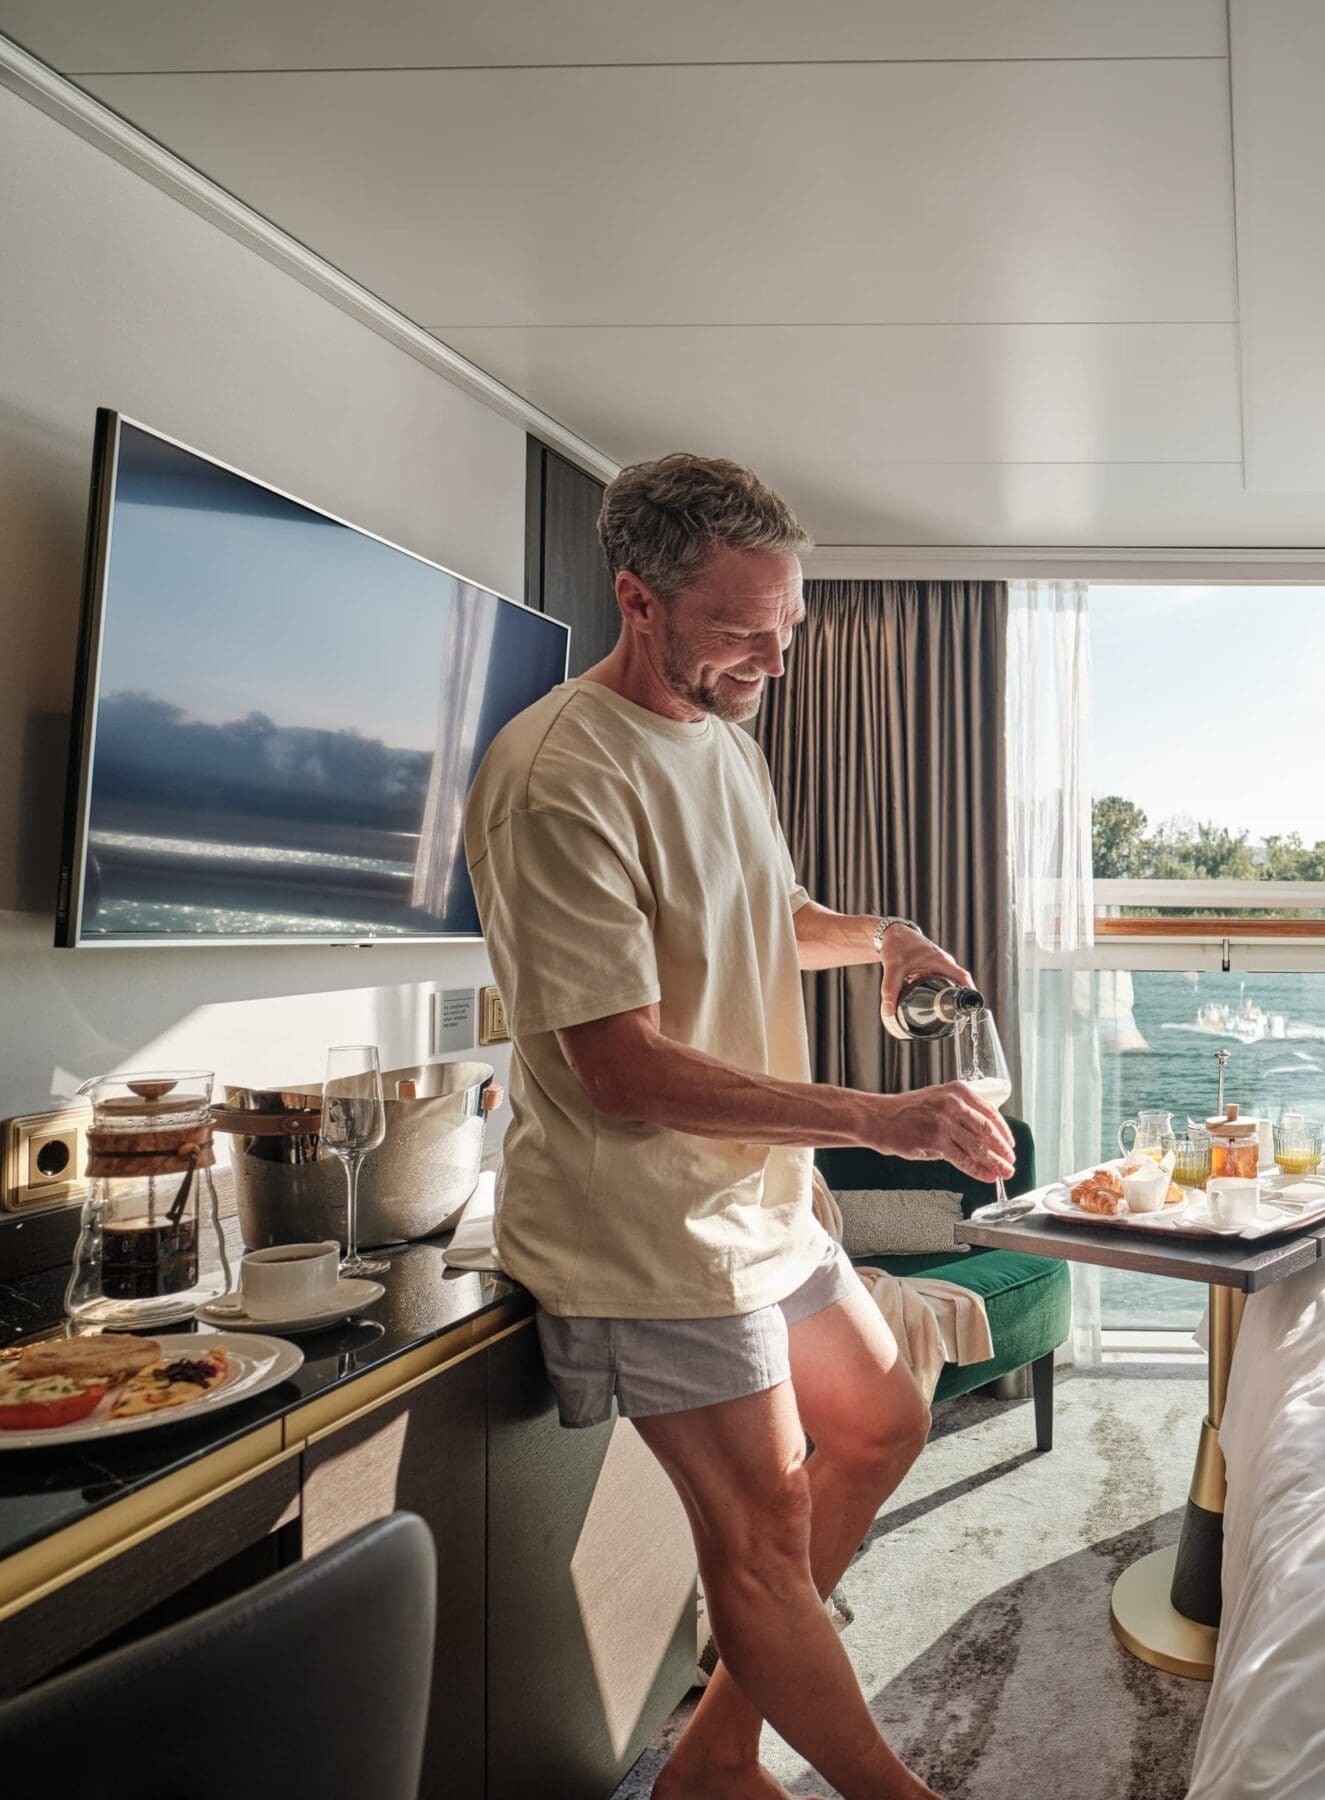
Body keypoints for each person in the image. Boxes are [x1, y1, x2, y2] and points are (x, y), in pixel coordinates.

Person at [467, 453, 1010, 1800]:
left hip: (757, 1205)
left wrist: (880, 935)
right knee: (761, 1533)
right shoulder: (556, 776)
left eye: (789, 627)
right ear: (639, 600)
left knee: (884, 1416)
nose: (773, 656)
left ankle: (709, 1759)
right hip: (647, 1227)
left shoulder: (723, 737)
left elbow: (757, 914)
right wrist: (878, 1118)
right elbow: (622, 1068)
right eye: (740, 632)